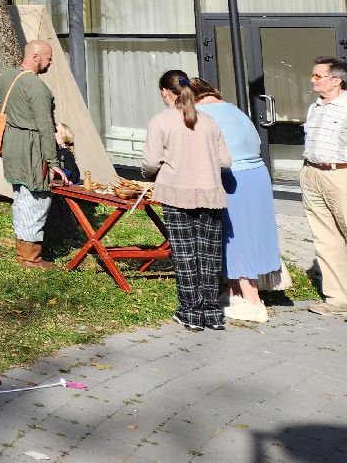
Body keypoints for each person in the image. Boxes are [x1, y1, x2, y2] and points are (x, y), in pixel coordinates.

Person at [178, 75, 281, 324]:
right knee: (243, 234)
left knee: (237, 237)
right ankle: (233, 292)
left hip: (234, 177)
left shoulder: (202, 115)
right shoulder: (234, 110)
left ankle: (253, 302)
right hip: (256, 175)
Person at [145, 70, 232, 331]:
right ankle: (212, 313)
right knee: (209, 255)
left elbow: (150, 162)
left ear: (164, 92)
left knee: (185, 255)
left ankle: (190, 313)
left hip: (177, 192)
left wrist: (151, 173)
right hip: (210, 192)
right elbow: (226, 162)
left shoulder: (161, 120)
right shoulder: (208, 121)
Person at [0, 40, 66, 270]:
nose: (51, 61)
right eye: (48, 57)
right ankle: (31, 257)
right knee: (37, 198)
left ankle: (23, 251)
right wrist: (54, 162)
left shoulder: (7, 77)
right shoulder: (36, 86)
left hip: (12, 145)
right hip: (31, 148)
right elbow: (45, 128)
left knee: (21, 196)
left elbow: (0, 109)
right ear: (35, 57)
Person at [301, 55, 347, 316]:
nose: (312, 80)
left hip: (340, 174)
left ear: (337, 80)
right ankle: (337, 298)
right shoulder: (315, 107)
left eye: (318, 76)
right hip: (312, 173)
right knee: (326, 238)